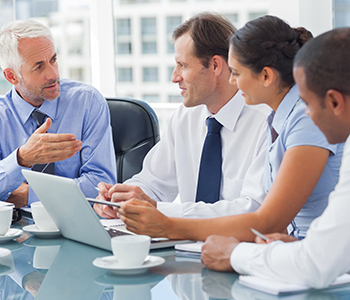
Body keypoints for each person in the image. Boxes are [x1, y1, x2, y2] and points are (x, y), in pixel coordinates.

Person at [108, 15, 343, 243]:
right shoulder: (279, 118)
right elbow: (279, 226)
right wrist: (120, 200)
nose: (232, 81)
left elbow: (266, 219)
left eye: (237, 73)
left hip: (319, 256)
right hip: (297, 247)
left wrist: (168, 224)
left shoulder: (300, 118)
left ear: (266, 76)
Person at [201, 27, 350, 289]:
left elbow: (315, 265)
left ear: (335, 102)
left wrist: (234, 254)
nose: (307, 115)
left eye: (307, 102)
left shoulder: (304, 125)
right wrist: (305, 248)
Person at [94, 12, 269, 220]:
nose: (174, 77)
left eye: (183, 65)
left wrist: (158, 209)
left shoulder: (266, 121)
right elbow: (152, 182)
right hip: (186, 244)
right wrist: (119, 198)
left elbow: (254, 210)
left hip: (241, 246)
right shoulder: (186, 116)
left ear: (215, 65)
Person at [0, 19, 117, 208]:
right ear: (12, 76)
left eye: (53, 59)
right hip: (15, 230)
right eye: (39, 67)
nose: (53, 74)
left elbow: (101, 183)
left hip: (80, 225)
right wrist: (21, 158)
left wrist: (30, 195)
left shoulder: (87, 102)